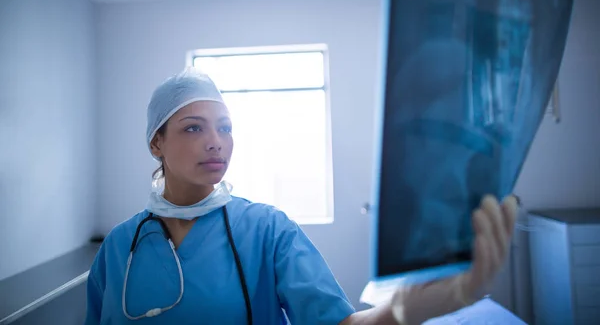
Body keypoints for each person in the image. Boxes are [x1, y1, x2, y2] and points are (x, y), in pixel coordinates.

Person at [85, 68, 518, 325]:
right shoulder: (119, 247)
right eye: (194, 127)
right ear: (156, 142)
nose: (216, 142)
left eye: (226, 127)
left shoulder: (267, 230)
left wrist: (414, 306)